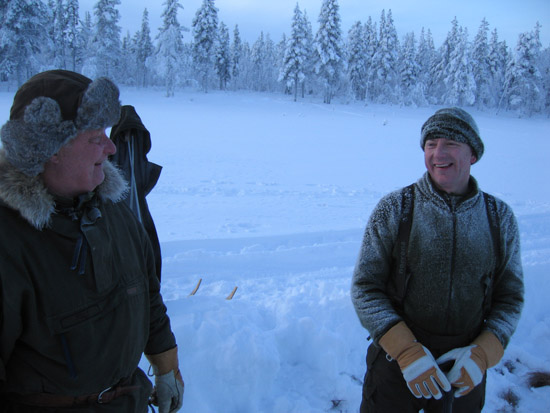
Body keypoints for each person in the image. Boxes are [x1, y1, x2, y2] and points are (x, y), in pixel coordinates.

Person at [0, 70, 184, 412]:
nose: (112, 146)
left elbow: (146, 293)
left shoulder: (113, 207)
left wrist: (166, 366)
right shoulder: (9, 241)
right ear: (50, 148)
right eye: (95, 135)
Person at [351, 107, 524, 412]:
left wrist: (483, 353)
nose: (438, 153)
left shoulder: (499, 218)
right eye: (430, 144)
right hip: (395, 365)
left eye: (451, 143)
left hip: (465, 368)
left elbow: (509, 298)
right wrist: (405, 351)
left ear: (473, 154)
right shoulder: (395, 208)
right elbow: (365, 288)